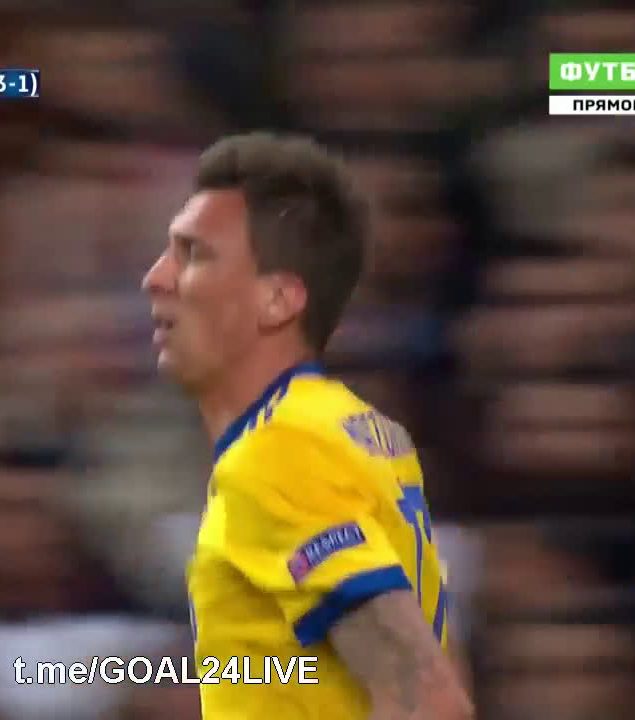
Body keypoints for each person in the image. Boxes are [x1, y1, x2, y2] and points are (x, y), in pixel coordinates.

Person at [141, 133, 473, 719]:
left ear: (277, 301)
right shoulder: (355, 427)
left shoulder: (280, 453)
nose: (155, 278)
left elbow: (426, 696)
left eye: (195, 256)